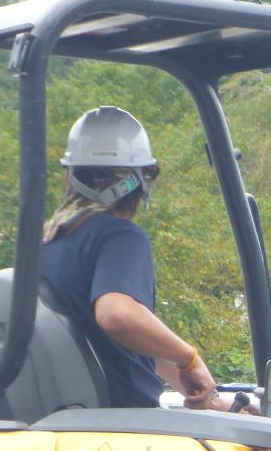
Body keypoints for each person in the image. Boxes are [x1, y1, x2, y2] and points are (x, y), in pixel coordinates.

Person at [39, 106, 235, 412]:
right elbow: (117, 316)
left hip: (67, 422)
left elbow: (122, 340)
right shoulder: (118, 236)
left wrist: (208, 395)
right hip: (124, 427)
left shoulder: (45, 245)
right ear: (142, 180)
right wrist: (189, 357)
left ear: (69, 176)